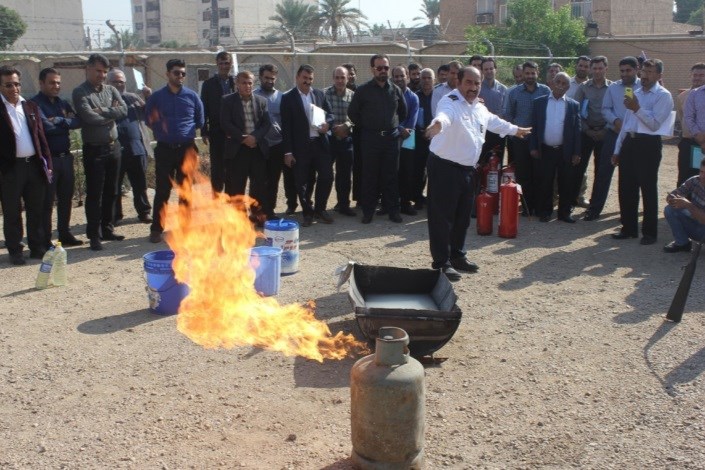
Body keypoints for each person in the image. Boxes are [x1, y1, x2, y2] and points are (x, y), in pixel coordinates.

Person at [424, 66, 530, 281]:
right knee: (442, 218)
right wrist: (437, 125)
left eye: (477, 83)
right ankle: (441, 263)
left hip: (466, 169)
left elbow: (493, 121)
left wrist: (515, 129)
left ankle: (457, 256)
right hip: (444, 168)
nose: (473, 87)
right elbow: (444, 117)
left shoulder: (478, 107)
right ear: (459, 82)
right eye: (469, 83)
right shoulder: (450, 101)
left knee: (462, 217)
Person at [611, 59, 673, 245]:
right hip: (630, 141)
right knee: (626, 187)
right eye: (644, 71)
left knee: (647, 187)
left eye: (650, 72)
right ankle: (628, 228)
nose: (644, 75)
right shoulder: (636, 93)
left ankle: (649, 233)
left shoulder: (663, 96)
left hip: (648, 145)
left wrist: (637, 108)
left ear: (659, 75)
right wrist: (617, 149)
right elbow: (626, 125)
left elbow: (654, 125)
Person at [145, 58, 204, 243]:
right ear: (168, 74)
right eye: (176, 73)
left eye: (183, 73)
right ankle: (157, 228)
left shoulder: (192, 96)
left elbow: (200, 120)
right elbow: (149, 120)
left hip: (186, 150)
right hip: (164, 150)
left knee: (186, 190)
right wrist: (165, 131)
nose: (180, 76)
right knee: (162, 190)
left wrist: (183, 132)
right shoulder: (157, 97)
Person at [72, 53, 128, 251]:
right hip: (94, 150)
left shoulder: (111, 89)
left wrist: (101, 111)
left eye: (105, 72)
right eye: (98, 71)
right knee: (95, 193)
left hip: (114, 147)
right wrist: (109, 113)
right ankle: (94, 235)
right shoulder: (80, 92)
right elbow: (89, 117)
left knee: (112, 191)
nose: (102, 75)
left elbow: (124, 110)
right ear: (87, 69)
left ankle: (107, 228)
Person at [0, 66, 52, 265]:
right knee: (12, 211)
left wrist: (46, 162)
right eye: (9, 85)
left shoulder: (30, 107)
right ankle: (15, 250)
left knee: (36, 209)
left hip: (34, 167)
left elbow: (40, 137)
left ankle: (37, 247)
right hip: (11, 169)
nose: (14, 88)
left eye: (17, 84)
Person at [347, 54, 407, 224]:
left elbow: (403, 112)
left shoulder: (395, 90)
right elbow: (353, 113)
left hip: (391, 139)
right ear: (372, 69)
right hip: (370, 139)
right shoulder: (363, 90)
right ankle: (368, 212)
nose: (383, 71)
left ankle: (393, 211)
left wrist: (392, 126)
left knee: (391, 176)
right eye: (379, 68)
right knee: (370, 177)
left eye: (386, 68)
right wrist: (367, 126)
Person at [583, 56, 640, 221]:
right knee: (603, 173)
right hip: (614, 134)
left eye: (628, 70)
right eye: (622, 71)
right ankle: (594, 210)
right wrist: (615, 121)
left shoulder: (642, 88)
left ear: (636, 69)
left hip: (634, 137)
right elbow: (605, 109)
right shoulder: (613, 88)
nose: (625, 74)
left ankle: (628, 213)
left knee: (630, 175)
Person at [31, 67, 83, 247]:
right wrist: (64, 123)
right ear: (41, 83)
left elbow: (78, 121)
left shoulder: (62, 103)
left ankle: (64, 233)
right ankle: (45, 239)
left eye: (58, 83)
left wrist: (60, 120)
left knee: (66, 198)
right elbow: (45, 128)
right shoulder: (35, 104)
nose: (56, 86)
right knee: (47, 201)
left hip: (65, 158)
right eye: (52, 82)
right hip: (49, 160)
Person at [281, 64, 335, 227]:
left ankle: (320, 208)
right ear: (297, 78)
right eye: (304, 78)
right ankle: (307, 212)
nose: (307, 81)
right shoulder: (288, 98)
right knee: (302, 181)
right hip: (300, 147)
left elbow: (330, 114)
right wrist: (288, 152)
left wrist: (328, 124)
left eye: (310, 78)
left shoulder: (319, 94)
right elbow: (286, 127)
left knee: (327, 176)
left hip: (320, 144)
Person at [529, 72, 581, 223]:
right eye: (558, 81)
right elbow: (535, 126)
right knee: (545, 182)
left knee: (566, 182)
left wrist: (577, 152)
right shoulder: (539, 102)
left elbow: (577, 130)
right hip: (545, 149)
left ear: (568, 87)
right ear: (552, 82)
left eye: (564, 83)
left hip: (565, 150)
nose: (560, 85)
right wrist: (533, 147)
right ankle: (545, 212)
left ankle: (564, 213)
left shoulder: (573, 105)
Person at [220, 70, 271, 223]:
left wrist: (254, 137)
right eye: (244, 82)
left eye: (250, 83)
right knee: (237, 185)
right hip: (238, 150)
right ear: (237, 84)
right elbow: (225, 123)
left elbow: (266, 123)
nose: (247, 86)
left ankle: (257, 215)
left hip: (256, 148)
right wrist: (243, 138)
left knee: (258, 185)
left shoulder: (261, 101)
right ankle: (239, 219)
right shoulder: (227, 101)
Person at [505, 61, 551, 215]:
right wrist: (515, 134)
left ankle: (539, 207)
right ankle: (526, 207)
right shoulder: (514, 93)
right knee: (523, 175)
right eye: (527, 73)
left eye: (533, 73)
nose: (530, 76)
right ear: (523, 74)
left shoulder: (545, 91)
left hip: (539, 140)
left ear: (537, 73)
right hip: (521, 140)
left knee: (539, 174)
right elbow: (509, 115)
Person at [107, 69, 152, 226]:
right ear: (108, 83)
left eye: (121, 81)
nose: (119, 84)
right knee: (115, 185)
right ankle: (115, 215)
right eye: (115, 81)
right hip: (115, 149)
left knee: (139, 183)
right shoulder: (106, 99)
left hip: (136, 147)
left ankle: (144, 212)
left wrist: (148, 97)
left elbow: (150, 115)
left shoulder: (133, 98)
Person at [255, 64, 296, 218]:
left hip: (277, 145)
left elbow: (286, 122)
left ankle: (269, 210)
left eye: (272, 78)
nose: (269, 81)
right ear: (260, 77)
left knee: (273, 180)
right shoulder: (253, 96)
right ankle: (257, 211)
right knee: (259, 180)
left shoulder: (282, 98)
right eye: (266, 78)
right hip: (259, 145)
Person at [572, 56, 612, 209]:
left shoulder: (613, 88)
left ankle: (595, 205)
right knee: (578, 168)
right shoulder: (583, 87)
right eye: (594, 68)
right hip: (586, 132)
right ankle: (573, 200)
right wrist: (587, 130)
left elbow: (616, 111)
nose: (597, 71)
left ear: (606, 69)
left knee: (601, 171)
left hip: (605, 133)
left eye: (600, 68)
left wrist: (605, 130)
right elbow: (576, 111)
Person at [200, 51, 234, 193]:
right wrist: (204, 131)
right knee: (217, 166)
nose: (224, 66)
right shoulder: (209, 85)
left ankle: (232, 198)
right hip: (216, 131)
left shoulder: (236, 82)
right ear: (217, 64)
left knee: (233, 166)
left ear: (231, 64)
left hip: (234, 132)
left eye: (226, 63)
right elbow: (204, 108)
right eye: (221, 63)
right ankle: (217, 198)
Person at [324, 66, 356, 216]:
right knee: (325, 174)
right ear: (333, 78)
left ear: (348, 78)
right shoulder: (325, 94)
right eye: (337, 77)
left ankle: (343, 205)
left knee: (344, 176)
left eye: (342, 77)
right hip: (328, 140)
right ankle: (321, 207)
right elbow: (320, 116)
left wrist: (346, 126)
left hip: (346, 140)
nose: (339, 80)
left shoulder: (353, 96)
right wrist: (332, 127)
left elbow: (356, 117)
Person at [392, 65, 419, 216]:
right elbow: (388, 117)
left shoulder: (413, 97)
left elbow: (412, 120)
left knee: (407, 171)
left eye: (402, 76)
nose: (399, 79)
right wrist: (398, 128)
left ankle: (405, 203)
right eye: (396, 76)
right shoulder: (389, 95)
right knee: (392, 171)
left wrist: (404, 129)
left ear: (407, 77)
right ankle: (390, 203)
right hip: (392, 136)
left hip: (409, 137)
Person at [663, 158, 705, 252]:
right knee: (670, 209)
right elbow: (671, 196)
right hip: (696, 225)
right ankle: (682, 243)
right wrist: (673, 199)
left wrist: (687, 204)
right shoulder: (695, 180)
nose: (702, 176)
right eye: (701, 172)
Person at [413, 67, 435, 210]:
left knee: (434, 170)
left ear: (434, 80)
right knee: (419, 170)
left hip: (436, 139)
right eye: (424, 78)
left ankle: (433, 198)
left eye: (429, 78)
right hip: (419, 138)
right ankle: (418, 198)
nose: (426, 81)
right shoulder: (416, 96)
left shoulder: (439, 96)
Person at [479, 57, 508, 163]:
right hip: (482, 132)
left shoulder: (503, 89)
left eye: (491, 68)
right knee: (481, 163)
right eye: (486, 69)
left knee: (497, 163)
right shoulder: (477, 88)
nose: (489, 71)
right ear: (482, 71)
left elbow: (505, 112)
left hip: (498, 133)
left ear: (495, 69)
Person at [684, 65, 705, 186]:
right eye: (695, 75)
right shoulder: (694, 94)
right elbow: (688, 117)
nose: (697, 78)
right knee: (691, 179)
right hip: (695, 144)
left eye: (701, 75)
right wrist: (700, 139)